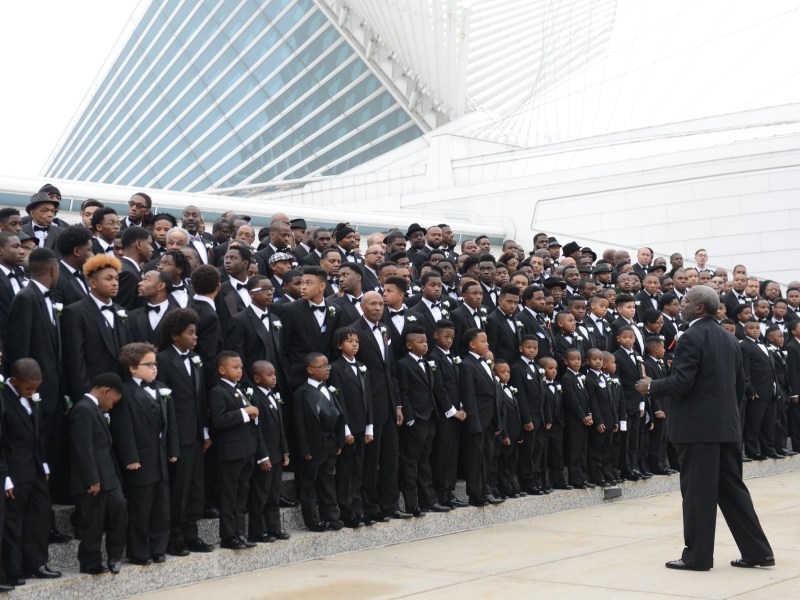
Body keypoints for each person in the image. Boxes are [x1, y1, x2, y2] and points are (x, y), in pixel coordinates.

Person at [635, 285, 774, 571]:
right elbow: (739, 386)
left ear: (699, 307)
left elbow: (683, 382)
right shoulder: (729, 338)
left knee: (698, 494)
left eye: (686, 300)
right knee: (733, 492)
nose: (682, 304)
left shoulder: (691, 336)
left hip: (698, 431)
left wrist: (651, 386)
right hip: (727, 428)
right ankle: (758, 552)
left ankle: (697, 557)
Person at [112, 343, 179, 566]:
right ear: (132, 368)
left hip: (160, 457)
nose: (154, 368)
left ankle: (158, 548)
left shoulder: (162, 388)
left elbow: (170, 423)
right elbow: (123, 428)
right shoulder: (125, 392)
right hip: (140, 459)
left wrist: (172, 449)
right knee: (141, 507)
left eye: (155, 364)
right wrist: (131, 457)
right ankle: (139, 551)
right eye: (148, 364)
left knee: (162, 506)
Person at [1, 359, 61, 584]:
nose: (33, 392)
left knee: (40, 514)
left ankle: (36, 563)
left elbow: (39, 432)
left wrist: (43, 463)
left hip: (35, 468)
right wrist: (5, 477)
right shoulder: (3, 398)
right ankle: (14, 569)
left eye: (36, 388)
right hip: (14, 471)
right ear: (14, 381)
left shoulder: (31, 397)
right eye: (29, 388)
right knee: (13, 521)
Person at [69, 373, 128, 575]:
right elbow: (83, 448)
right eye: (112, 401)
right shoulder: (83, 409)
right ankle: (90, 561)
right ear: (106, 391)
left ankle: (115, 555)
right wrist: (92, 479)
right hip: (92, 478)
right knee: (93, 520)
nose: (111, 407)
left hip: (108, 475)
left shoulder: (94, 409)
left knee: (119, 508)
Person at [208, 351, 266, 550]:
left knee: (241, 495)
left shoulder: (239, 390)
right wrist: (245, 412)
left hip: (247, 450)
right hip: (231, 452)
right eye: (235, 367)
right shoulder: (218, 391)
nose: (240, 371)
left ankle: (240, 532)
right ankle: (228, 536)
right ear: (222, 369)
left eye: (241, 367)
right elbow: (219, 420)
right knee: (229, 495)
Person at [293, 353, 345, 532]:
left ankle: (331, 516)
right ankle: (313, 520)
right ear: (310, 370)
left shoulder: (328, 388)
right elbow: (299, 424)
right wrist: (305, 449)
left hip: (329, 442)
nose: (328, 369)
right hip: (313, 444)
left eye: (328, 365)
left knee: (327, 478)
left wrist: (339, 441)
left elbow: (338, 414)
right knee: (309, 483)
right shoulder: (301, 393)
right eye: (323, 366)